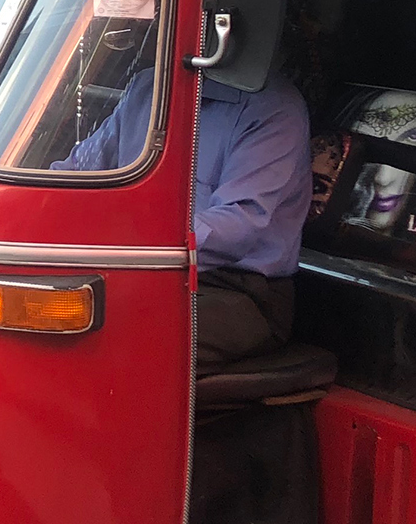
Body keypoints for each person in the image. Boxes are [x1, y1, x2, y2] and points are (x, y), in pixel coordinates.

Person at [56, 66, 312, 372]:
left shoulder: (274, 108)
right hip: (132, 268)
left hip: (238, 289)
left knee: (115, 333)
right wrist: (37, 206)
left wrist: (131, 242)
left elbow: (238, 226)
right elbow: (79, 173)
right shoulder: (149, 86)